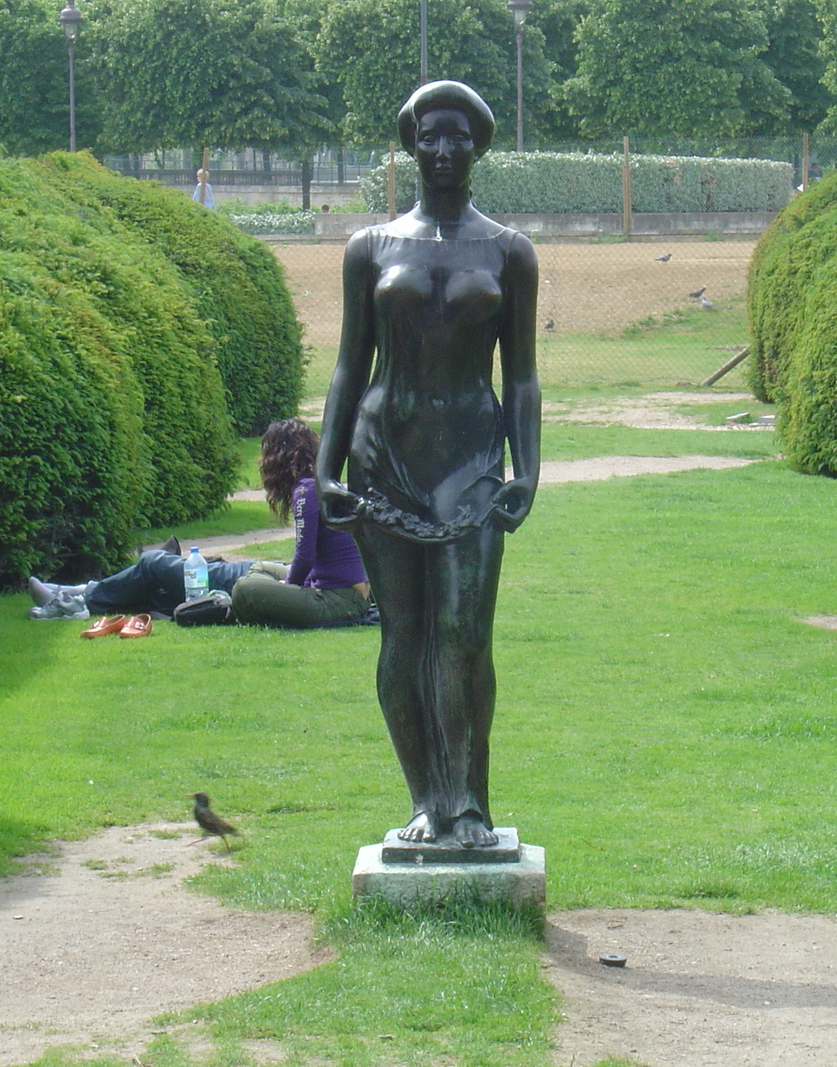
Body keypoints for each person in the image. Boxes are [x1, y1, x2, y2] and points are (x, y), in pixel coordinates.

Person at [316, 81, 540, 850]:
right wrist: (326, 466)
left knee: (465, 634)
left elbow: (522, 376)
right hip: (385, 459)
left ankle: (470, 801)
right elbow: (350, 366)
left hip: (472, 460)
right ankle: (425, 801)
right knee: (403, 637)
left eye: (458, 138)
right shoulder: (369, 249)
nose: (444, 151)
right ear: (411, 147)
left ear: (477, 147)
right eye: (430, 138)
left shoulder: (510, 251)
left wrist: (528, 467)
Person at [230, 418, 372, 628]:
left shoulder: (306, 492)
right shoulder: (318, 484)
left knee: (244, 589)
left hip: (340, 599)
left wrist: (289, 587)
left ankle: (259, 609)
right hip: (340, 590)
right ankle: (274, 604)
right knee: (260, 567)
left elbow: (305, 556)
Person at [27, 536, 256, 621]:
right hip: (253, 573)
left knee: (152, 562)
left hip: (251, 578)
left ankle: (81, 598)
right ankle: (76, 596)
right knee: (159, 591)